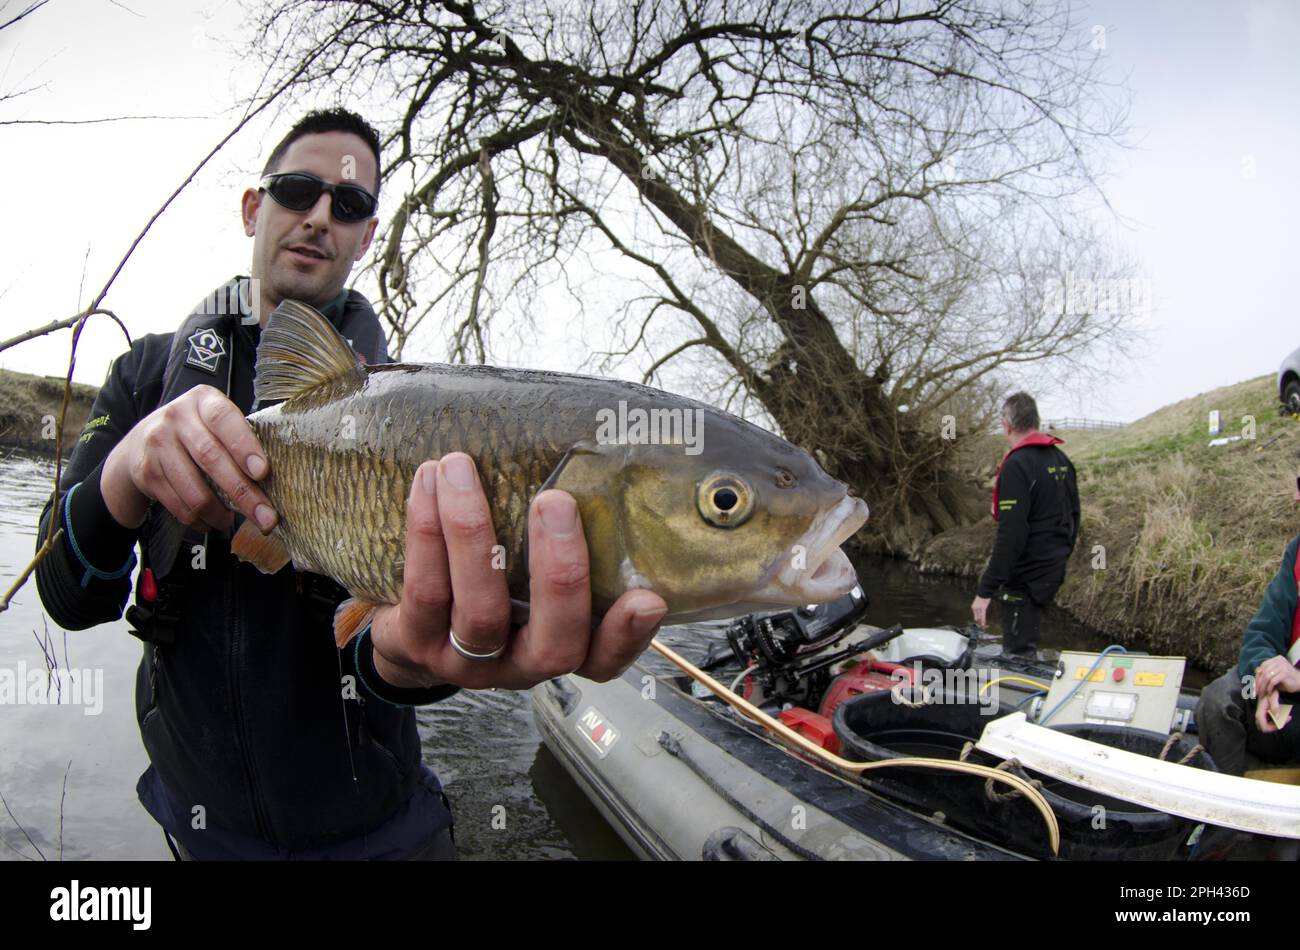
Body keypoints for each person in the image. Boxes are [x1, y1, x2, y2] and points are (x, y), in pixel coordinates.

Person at [34, 108, 669, 860]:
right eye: (297, 190)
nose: (318, 217)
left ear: (367, 235)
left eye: (350, 204)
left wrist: (418, 661)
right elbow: (68, 598)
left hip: (381, 836)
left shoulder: (420, 423)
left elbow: (384, 656)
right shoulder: (143, 375)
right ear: (252, 207)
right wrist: (126, 469)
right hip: (200, 831)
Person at [1195, 473, 1300, 777]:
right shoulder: (1297, 552)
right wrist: (1266, 674)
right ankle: (1228, 811)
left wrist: (1296, 678)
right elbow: (1263, 630)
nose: (1295, 497)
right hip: (1286, 702)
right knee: (1217, 700)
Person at [970, 392, 1080, 657]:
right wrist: (1059, 559)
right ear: (1037, 422)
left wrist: (984, 593)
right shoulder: (1061, 460)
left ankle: (1025, 688)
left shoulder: (1017, 465)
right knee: (1028, 639)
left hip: (1025, 577)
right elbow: (1074, 517)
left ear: (1007, 425)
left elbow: (1011, 536)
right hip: (1052, 568)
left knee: (1018, 653)